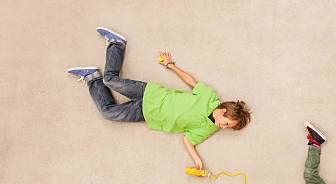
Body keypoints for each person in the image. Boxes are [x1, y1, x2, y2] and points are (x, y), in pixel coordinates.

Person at [67, 27, 251, 169]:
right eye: (226, 123)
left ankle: (92, 78)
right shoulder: (210, 97)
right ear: (222, 111)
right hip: (150, 94)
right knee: (110, 80)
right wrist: (171, 65)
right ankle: (117, 44)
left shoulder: (207, 130)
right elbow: (191, 81)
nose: (222, 127)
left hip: (147, 114)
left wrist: (197, 159)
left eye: (227, 128)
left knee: (107, 112)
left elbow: (188, 140)